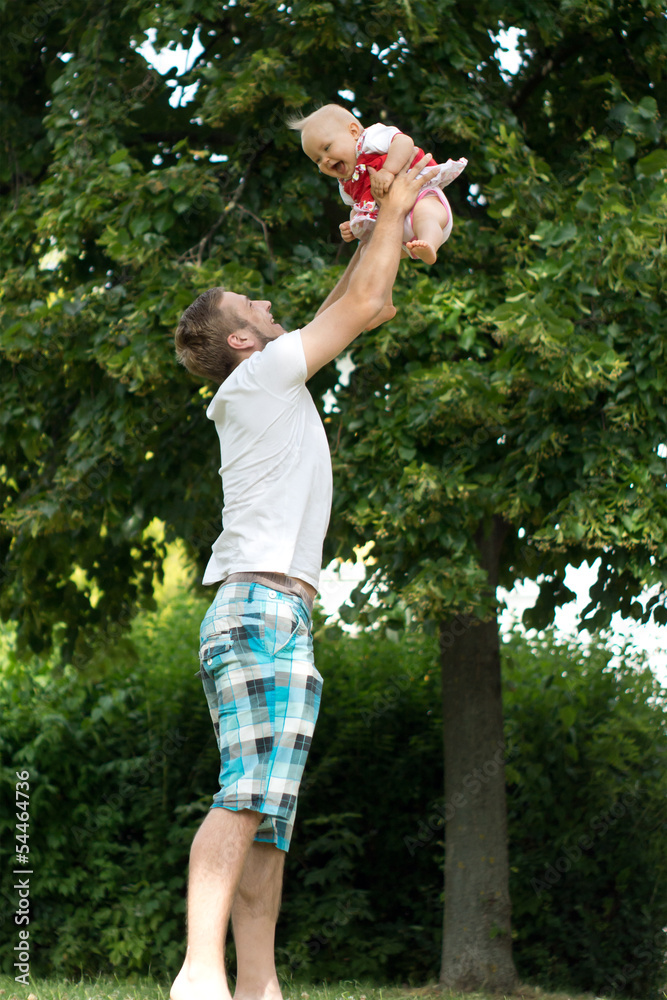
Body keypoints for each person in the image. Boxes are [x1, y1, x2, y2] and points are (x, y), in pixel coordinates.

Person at [169, 152, 438, 1000]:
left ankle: (258, 986)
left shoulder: (268, 380)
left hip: (277, 614)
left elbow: (360, 298)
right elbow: (359, 307)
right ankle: (201, 973)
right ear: (241, 341)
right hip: (257, 608)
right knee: (245, 795)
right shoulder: (256, 380)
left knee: (270, 822)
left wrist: (378, 225)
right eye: (254, 305)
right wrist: (394, 201)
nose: (270, 303)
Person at [289, 103, 467, 265]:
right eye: (317, 160)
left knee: (426, 214)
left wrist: (388, 170)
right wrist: (353, 225)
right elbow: (357, 207)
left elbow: (404, 142)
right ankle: (384, 299)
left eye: (327, 148)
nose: (325, 160)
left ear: (353, 132)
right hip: (395, 231)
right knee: (368, 254)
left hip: (419, 197)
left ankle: (429, 244)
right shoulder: (346, 185)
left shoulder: (370, 140)